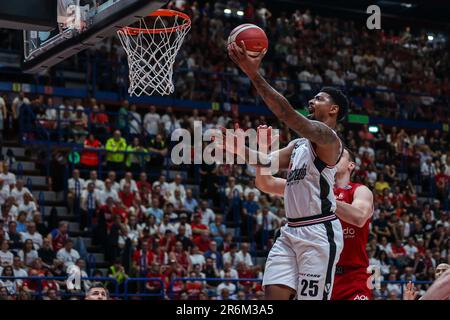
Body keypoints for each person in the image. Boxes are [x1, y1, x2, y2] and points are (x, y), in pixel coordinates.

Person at [226, 41, 348, 299]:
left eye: (320, 98)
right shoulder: (298, 146)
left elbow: (288, 115)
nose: (312, 100)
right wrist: (239, 149)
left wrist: (253, 74)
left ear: (333, 109)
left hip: (319, 233)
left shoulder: (328, 139)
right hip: (291, 231)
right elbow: (266, 161)